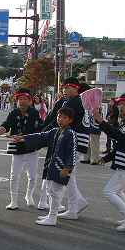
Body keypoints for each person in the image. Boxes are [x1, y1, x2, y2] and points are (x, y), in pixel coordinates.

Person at [12, 107, 77, 227]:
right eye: (59, 116)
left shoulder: (70, 134)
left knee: (55, 192)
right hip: (51, 166)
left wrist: (68, 168)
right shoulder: (55, 131)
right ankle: (51, 215)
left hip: (61, 168)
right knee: (50, 191)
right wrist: (23, 138)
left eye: (64, 117)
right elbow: (41, 136)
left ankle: (52, 218)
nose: (60, 119)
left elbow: (72, 153)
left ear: (70, 120)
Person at [40, 77, 89, 219]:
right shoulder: (80, 101)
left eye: (68, 87)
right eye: (64, 87)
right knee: (69, 176)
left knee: (67, 175)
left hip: (74, 141)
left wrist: (43, 134)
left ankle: (76, 206)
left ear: (76, 88)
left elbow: (60, 122)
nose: (65, 90)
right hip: (79, 141)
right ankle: (76, 205)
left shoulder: (73, 102)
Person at [94, 94, 125, 231]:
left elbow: (117, 135)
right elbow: (121, 143)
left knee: (109, 191)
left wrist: (101, 121)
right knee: (118, 191)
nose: (121, 107)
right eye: (119, 104)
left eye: (124, 104)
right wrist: (106, 158)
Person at [0, 88, 43, 210]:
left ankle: (29, 195)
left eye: (25, 99)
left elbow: (39, 130)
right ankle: (13, 200)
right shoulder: (13, 113)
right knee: (14, 175)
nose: (22, 101)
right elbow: (5, 126)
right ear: (16, 100)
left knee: (33, 176)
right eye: (20, 99)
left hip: (31, 149)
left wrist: (25, 136)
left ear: (30, 101)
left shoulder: (35, 113)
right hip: (17, 149)